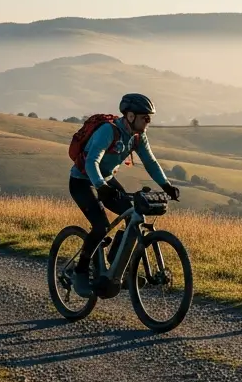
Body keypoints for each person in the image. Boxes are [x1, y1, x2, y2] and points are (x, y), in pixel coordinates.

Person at [69, 93, 180, 296]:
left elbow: (151, 162)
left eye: (150, 118)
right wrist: (100, 185)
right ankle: (80, 271)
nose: (148, 121)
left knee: (132, 213)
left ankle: (118, 264)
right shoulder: (107, 131)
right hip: (82, 181)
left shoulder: (138, 136)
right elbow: (91, 161)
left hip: (107, 180)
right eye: (145, 117)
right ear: (130, 116)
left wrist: (166, 185)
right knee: (101, 225)